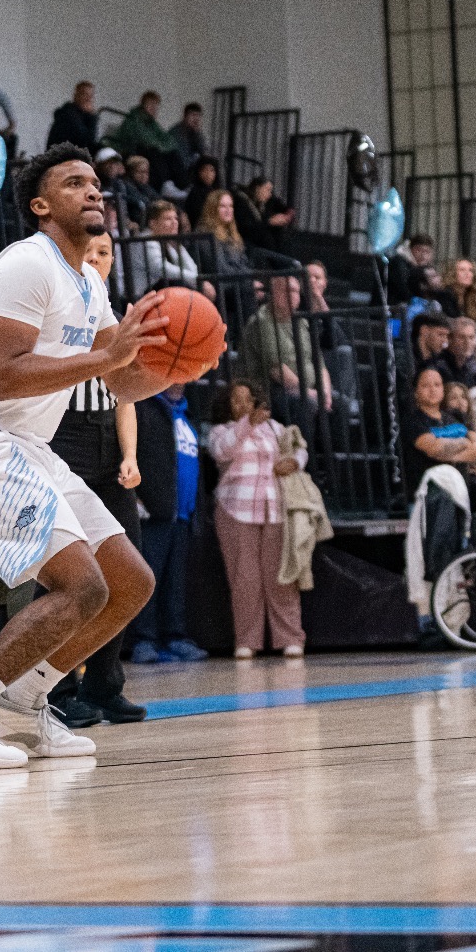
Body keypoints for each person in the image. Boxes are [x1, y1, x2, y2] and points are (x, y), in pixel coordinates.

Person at [0, 143, 170, 769]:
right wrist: (109, 358)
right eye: (76, 183)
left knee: (130, 582)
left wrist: (181, 366)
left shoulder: (88, 281)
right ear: (41, 205)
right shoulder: (27, 264)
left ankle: (22, 707)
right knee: (80, 585)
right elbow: (5, 375)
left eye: (97, 183)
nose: (94, 191)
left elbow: (123, 382)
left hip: (28, 447)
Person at [42, 232, 146, 724]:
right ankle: (56, 689)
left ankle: (105, 683)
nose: (97, 259)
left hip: (108, 445)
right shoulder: (60, 309)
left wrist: (129, 455)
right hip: (64, 438)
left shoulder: (116, 319)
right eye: (90, 252)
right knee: (65, 567)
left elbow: (126, 396)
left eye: (105, 253)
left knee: (127, 566)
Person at [208, 380, 306, 660]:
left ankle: (290, 638)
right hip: (234, 510)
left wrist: (296, 462)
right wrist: (247, 424)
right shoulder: (221, 431)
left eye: (248, 400)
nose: (242, 405)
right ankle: (247, 642)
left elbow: (299, 447)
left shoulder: (273, 428)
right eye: (236, 401)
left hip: (273, 509)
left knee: (281, 577)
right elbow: (222, 450)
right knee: (244, 579)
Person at [129, 383, 204, 665]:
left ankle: (175, 637)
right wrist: (135, 497)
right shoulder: (143, 408)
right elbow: (129, 453)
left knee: (175, 583)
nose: (180, 380)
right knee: (148, 580)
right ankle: (143, 641)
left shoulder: (187, 416)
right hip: (153, 512)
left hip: (183, 515)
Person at [241, 275, 331, 425]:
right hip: (270, 390)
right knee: (306, 403)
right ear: (274, 292)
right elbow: (277, 371)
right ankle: (304, 449)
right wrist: (309, 392)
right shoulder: (262, 321)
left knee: (340, 405)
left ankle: (330, 449)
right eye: (287, 291)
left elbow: (320, 366)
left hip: (304, 390)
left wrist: (325, 393)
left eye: (296, 291)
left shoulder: (301, 323)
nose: (293, 296)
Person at [409, 366, 476, 483]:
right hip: (430, 494)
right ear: (415, 392)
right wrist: (465, 443)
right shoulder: (413, 421)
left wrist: (449, 455)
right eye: (425, 385)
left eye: (437, 385)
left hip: (460, 492)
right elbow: (435, 450)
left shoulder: (454, 417)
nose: (432, 389)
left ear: (443, 390)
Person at [47, 80, 100, 152]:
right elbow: (85, 142)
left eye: (91, 96)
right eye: (85, 94)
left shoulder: (82, 115)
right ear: (76, 96)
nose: (88, 99)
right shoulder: (68, 114)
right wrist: (92, 117)